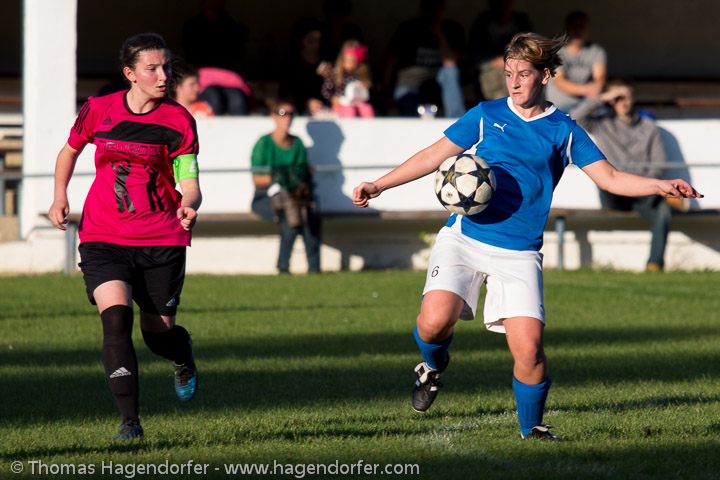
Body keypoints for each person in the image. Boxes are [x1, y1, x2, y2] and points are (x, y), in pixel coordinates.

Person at [353, 32, 702, 440]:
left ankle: (532, 429)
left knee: (531, 351)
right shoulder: (485, 113)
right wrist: (379, 185)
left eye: (523, 74)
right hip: (465, 239)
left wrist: (659, 185)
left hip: (518, 252)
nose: (514, 82)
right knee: (433, 324)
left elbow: (609, 177)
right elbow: (434, 155)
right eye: (508, 74)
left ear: (545, 76)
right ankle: (432, 367)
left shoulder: (563, 130)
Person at [48, 33, 202, 440]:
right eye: (153, 68)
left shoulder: (179, 120)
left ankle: (181, 354)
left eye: (167, 66)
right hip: (103, 234)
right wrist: (59, 195)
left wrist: (190, 203)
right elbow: (69, 151)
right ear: (130, 73)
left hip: (161, 237)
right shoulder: (99, 109)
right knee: (116, 319)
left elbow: (189, 179)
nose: (163, 75)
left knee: (159, 335)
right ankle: (130, 423)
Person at [572, 78, 673, 271]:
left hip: (641, 192)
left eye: (626, 97)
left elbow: (659, 165)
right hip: (613, 192)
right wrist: (603, 97)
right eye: (618, 98)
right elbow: (574, 117)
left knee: (663, 211)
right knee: (607, 182)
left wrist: (642, 185)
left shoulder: (649, 127)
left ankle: (655, 264)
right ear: (611, 100)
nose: (623, 102)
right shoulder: (602, 123)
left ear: (634, 98)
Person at [251, 99, 321, 274]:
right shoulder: (264, 143)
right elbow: (257, 179)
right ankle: (283, 266)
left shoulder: (297, 143)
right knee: (291, 218)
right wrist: (278, 176)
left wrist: (295, 177)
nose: (287, 118)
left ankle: (314, 268)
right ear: (273, 116)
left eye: (291, 114)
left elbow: (303, 172)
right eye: (282, 113)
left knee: (308, 215)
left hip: (295, 194)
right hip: (265, 197)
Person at [384, 0, 466, 118]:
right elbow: (391, 61)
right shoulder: (408, 28)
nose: (432, 12)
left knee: (451, 71)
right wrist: (386, 91)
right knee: (409, 108)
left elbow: (450, 62)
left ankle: (457, 121)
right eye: (429, 8)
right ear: (421, 9)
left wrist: (439, 33)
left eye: (437, 8)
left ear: (443, 9)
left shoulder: (452, 28)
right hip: (410, 85)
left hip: (438, 85)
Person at [181, 0, 252, 115]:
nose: (215, 11)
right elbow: (190, 57)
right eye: (212, 7)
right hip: (203, 79)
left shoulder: (232, 27)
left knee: (237, 100)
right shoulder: (193, 27)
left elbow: (239, 55)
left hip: (230, 78)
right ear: (203, 6)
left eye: (219, 7)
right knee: (214, 98)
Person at [468, 0, 532, 101]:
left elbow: (530, 52)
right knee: (498, 96)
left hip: (517, 68)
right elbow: (474, 57)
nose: (501, 8)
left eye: (505, 3)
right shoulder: (481, 25)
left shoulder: (521, 23)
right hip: (489, 71)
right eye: (498, 4)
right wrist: (493, 62)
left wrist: (511, 61)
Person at [546, 11, 606, 113]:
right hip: (560, 106)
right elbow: (559, 81)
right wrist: (587, 90)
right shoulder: (556, 52)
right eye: (574, 26)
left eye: (582, 26)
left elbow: (600, 77)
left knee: (604, 113)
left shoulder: (596, 51)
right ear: (566, 28)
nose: (578, 30)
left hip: (586, 104)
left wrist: (596, 88)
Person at [279, 18, 332, 117]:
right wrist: (306, 102)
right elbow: (286, 92)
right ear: (301, 40)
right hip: (298, 114)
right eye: (311, 41)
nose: (316, 45)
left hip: (325, 112)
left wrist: (331, 77)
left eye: (318, 41)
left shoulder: (327, 60)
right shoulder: (291, 62)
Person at [321, 40, 374, 118]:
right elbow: (325, 90)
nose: (351, 65)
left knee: (367, 109)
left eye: (354, 62)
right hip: (341, 106)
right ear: (343, 60)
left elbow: (367, 91)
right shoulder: (335, 74)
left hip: (357, 104)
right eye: (348, 61)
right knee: (350, 110)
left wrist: (364, 86)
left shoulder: (359, 75)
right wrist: (333, 99)